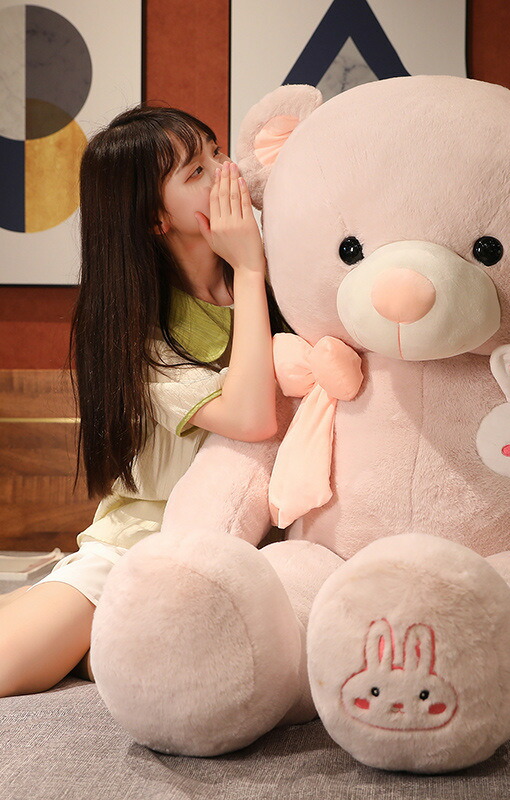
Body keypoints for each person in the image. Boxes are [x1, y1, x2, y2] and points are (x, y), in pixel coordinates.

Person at [0, 105, 283, 697]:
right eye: (197, 171)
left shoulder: (282, 272)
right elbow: (252, 417)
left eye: (216, 152)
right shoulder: (141, 330)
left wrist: (253, 270)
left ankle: (105, 651)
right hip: (144, 540)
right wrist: (249, 268)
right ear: (156, 217)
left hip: (257, 537)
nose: (226, 173)